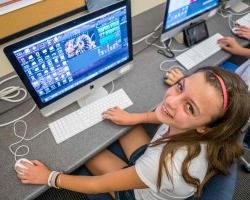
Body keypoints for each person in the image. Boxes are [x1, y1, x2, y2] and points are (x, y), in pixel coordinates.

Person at [15, 66, 250, 200]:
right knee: (127, 124)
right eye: (180, 87)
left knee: (84, 151)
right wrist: (133, 118)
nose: (170, 100)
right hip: (153, 163)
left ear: (205, 127)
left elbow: (96, 185)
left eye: (189, 107)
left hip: (141, 192)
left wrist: (48, 177)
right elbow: (163, 113)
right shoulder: (206, 130)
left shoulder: (167, 166)